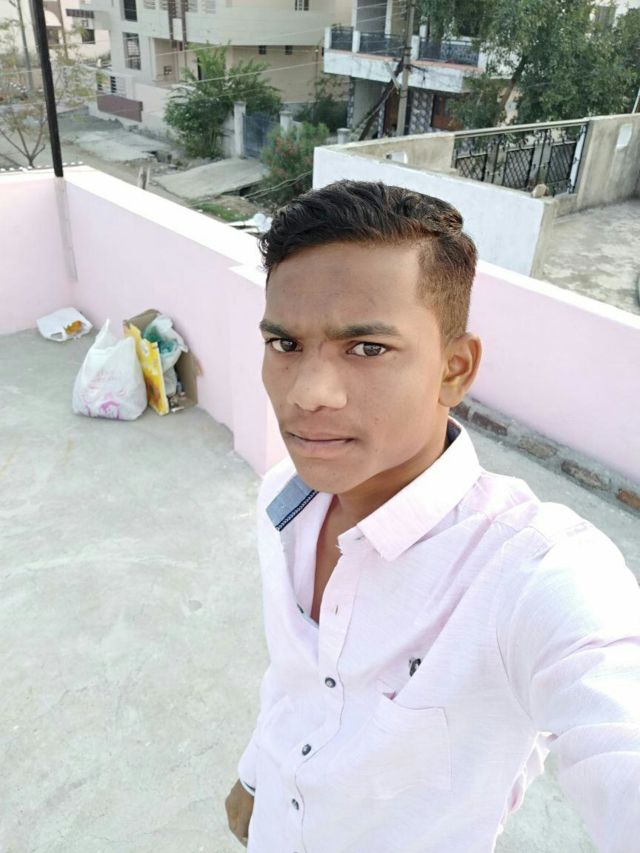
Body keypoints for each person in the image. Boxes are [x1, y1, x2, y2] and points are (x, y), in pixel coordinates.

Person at [225, 180, 640, 852]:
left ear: (455, 368)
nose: (308, 393)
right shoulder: (284, 500)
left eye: (367, 348)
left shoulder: (531, 573)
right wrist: (255, 776)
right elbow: (297, 678)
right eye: (285, 344)